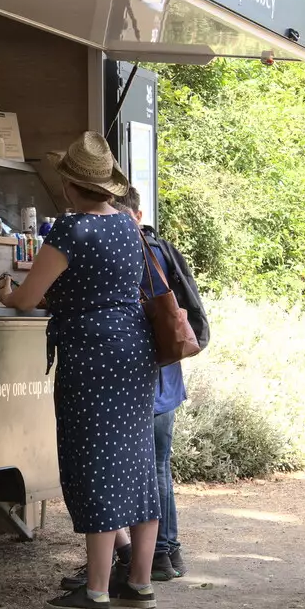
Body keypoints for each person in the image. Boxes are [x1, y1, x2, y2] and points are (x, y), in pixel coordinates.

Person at [0, 132, 159, 609]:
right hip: (134, 348)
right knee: (136, 461)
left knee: (94, 462)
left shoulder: (70, 231)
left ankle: (95, 591)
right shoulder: (129, 227)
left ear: (69, 183)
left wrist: (7, 292)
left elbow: (28, 298)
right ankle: (140, 582)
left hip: (91, 352)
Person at [56, 187, 208, 587]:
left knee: (103, 469)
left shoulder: (82, 233)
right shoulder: (141, 237)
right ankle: (154, 561)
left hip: (108, 365)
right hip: (151, 368)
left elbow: (41, 294)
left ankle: (106, 580)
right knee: (147, 468)